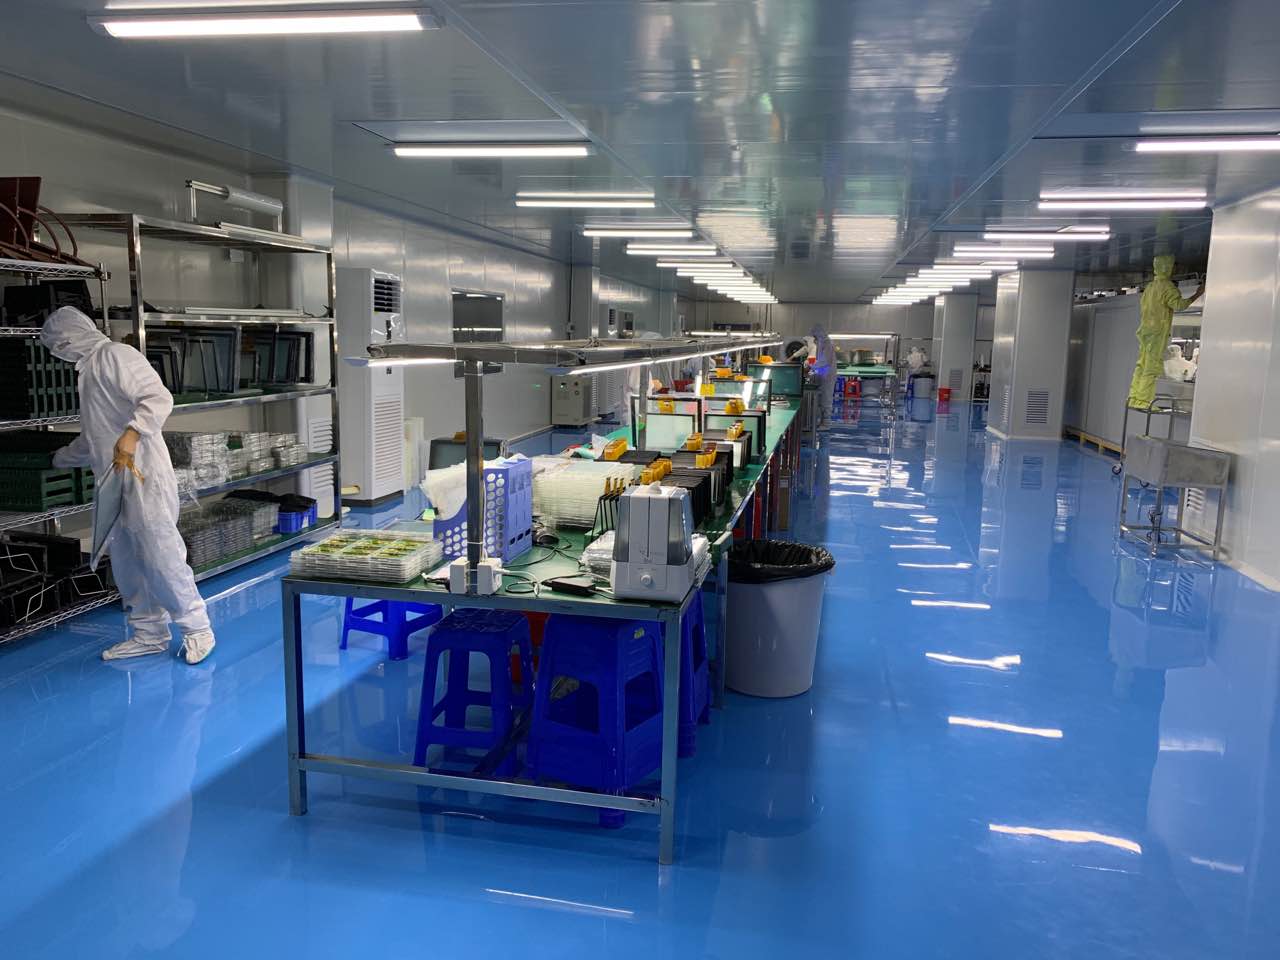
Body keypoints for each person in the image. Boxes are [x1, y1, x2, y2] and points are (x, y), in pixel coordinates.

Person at [41, 307, 216, 664]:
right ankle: (148, 633)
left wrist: (133, 434)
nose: (58, 352)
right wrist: (59, 458)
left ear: (69, 339)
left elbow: (157, 397)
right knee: (127, 561)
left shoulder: (115, 355)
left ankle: (198, 628)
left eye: (58, 345)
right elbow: (94, 438)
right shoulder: (89, 372)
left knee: (160, 554)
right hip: (114, 482)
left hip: (143, 476)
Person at [1127, 256, 1204, 409]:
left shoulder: (1150, 287)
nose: (1175, 268)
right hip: (1157, 333)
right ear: (1167, 267)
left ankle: (1134, 397)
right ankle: (1144, 401)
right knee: (1152, 367)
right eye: (1173, 266)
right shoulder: (1168, 287)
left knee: (1141, 364)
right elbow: (1179, 305)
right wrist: (1197, 294)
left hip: (1145, 331)